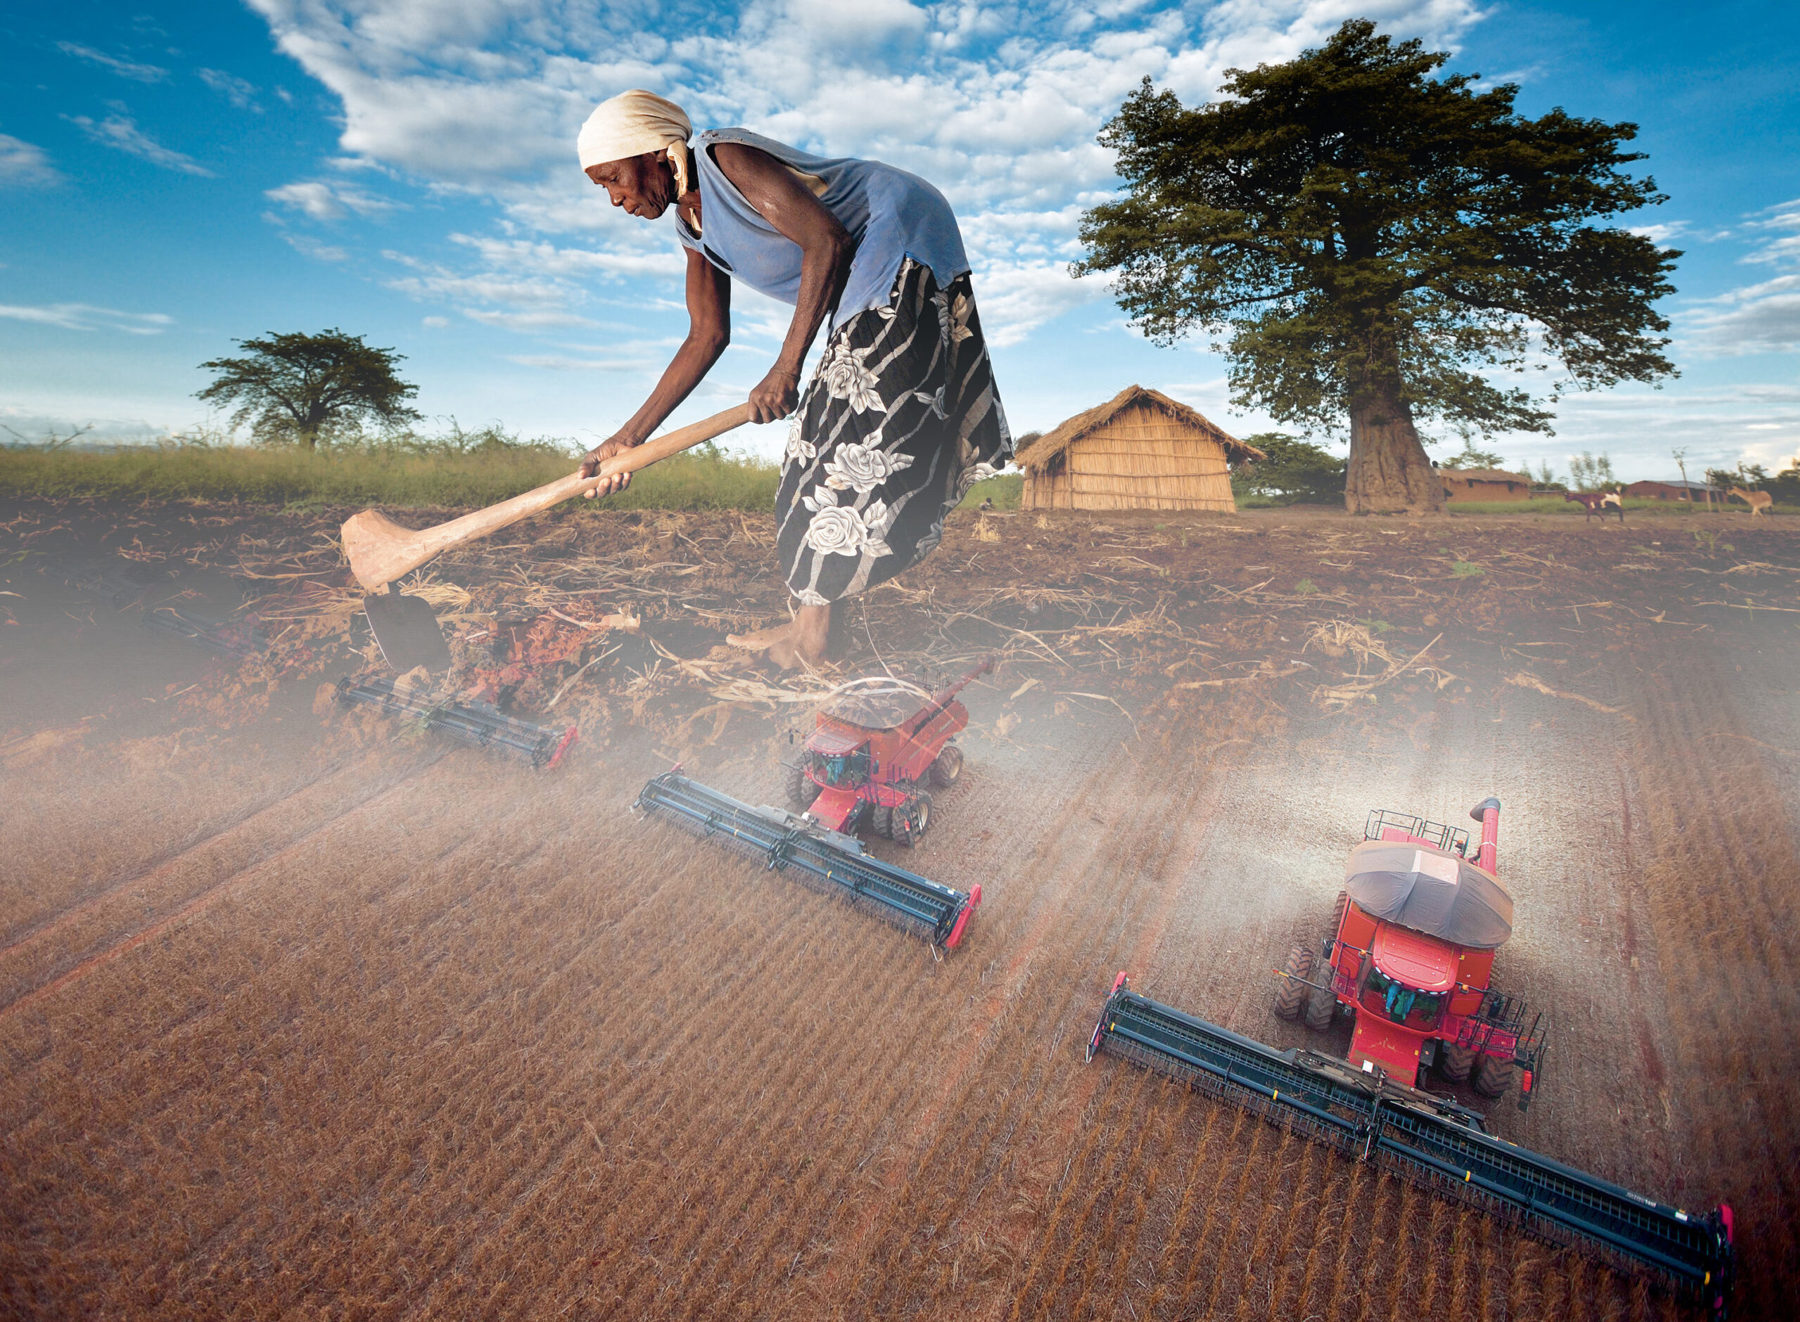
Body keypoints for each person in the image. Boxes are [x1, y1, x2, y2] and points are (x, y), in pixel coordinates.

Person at [575, 90, 1011, 670]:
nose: (614, 198)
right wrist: (627, 440)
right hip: (863, 274)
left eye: (613, 178)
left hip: (899, 232)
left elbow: (827, 240)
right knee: (815, 451)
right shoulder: (691, 226)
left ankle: (813, 638)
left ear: (654, 151)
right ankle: (814, 626)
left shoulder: (723, 158)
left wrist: (787, 367)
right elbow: (706, 335)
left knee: (837, 448)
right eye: (602, 187)